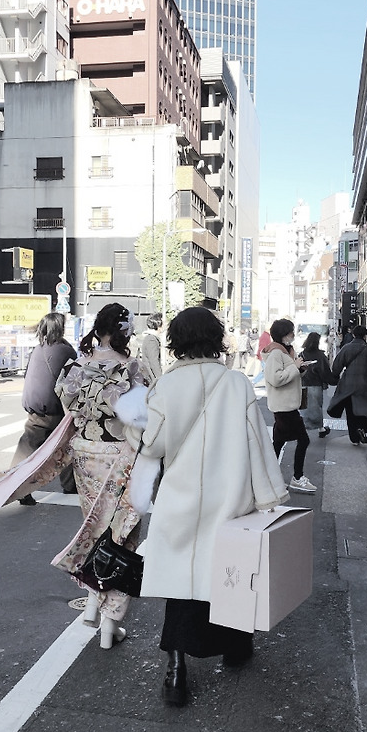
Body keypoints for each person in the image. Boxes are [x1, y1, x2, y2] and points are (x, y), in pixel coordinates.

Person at [128, 306, 288, 706]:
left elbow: (152, 445)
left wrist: (132, 428)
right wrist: (269, 495)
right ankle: (235, 647)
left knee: (181, 584)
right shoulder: (236, 383)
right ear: (216, 339)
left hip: (180, 498)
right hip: (229, 497)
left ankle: (176, 671)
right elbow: (257, 442)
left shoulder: (166, 386)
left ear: (176, 342)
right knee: (230, 575)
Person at [49, 302, 149, 650]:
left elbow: (67, 406)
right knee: (122, 536)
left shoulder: (76, 366)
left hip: (85, 454)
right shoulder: (131, 367)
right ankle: (110, 624)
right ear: (124, 331)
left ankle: (93, 602)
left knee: (95, 529)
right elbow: (142, 414)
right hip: (121, 455)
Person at [11, 313, 78, 504]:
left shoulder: (38, 349)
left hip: (34, 405)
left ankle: (16, 485)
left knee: (29, 447)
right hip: (54, 407)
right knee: (66, 444)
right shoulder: (65, 351)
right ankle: (69, 485)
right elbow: (73, 381)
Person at [262, 318, 315, 494]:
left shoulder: (286, 351)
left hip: (286, 405)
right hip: (284, 406)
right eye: (291, 332)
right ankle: (297, 477)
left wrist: (300, 368)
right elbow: (275, 379)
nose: (293, 335)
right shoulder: (276, 354)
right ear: (283, 334)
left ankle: (268, 479)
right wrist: (295, 367)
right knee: (303, 440)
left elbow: (289, 375)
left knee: (278, 443)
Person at [328, 324, 367, 445]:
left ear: (353, 335)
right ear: (365, 336)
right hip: (366, 385)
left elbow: (337, 366)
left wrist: (335, 377)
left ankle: (354, 438)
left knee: (351, 412)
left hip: (348, 385)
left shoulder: (346, 348)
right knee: (363, 409)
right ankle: (362, 428)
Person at [299, 331, 332, 439]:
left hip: (303, 383)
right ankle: (320, 429)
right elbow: (325, 371)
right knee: (317, 407)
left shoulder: (302, 354)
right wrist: (331, 380)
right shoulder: (320, 355)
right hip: (316, 384)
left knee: (304, 407)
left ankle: (303, 428)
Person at [138, 312, 164, 383]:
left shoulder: (149, 338)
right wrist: (161, 379)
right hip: (151, 379)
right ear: (158, 324)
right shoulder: (151, 340)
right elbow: (154, 362)